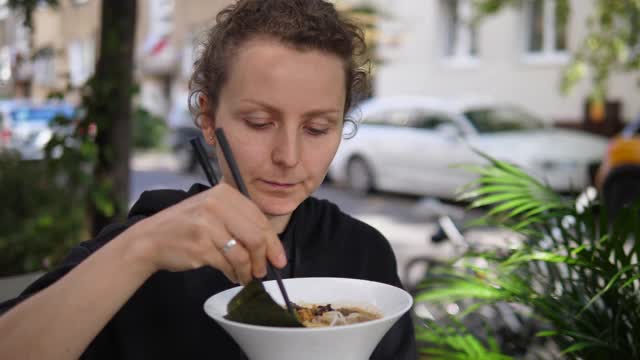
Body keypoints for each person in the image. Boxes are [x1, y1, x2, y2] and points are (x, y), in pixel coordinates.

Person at [0, 1, 417, 359]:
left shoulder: (363, 256)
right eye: (258, 122)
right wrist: (139, 251)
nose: (288, 157)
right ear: (207, 118)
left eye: (317, 128)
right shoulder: (149, 243)